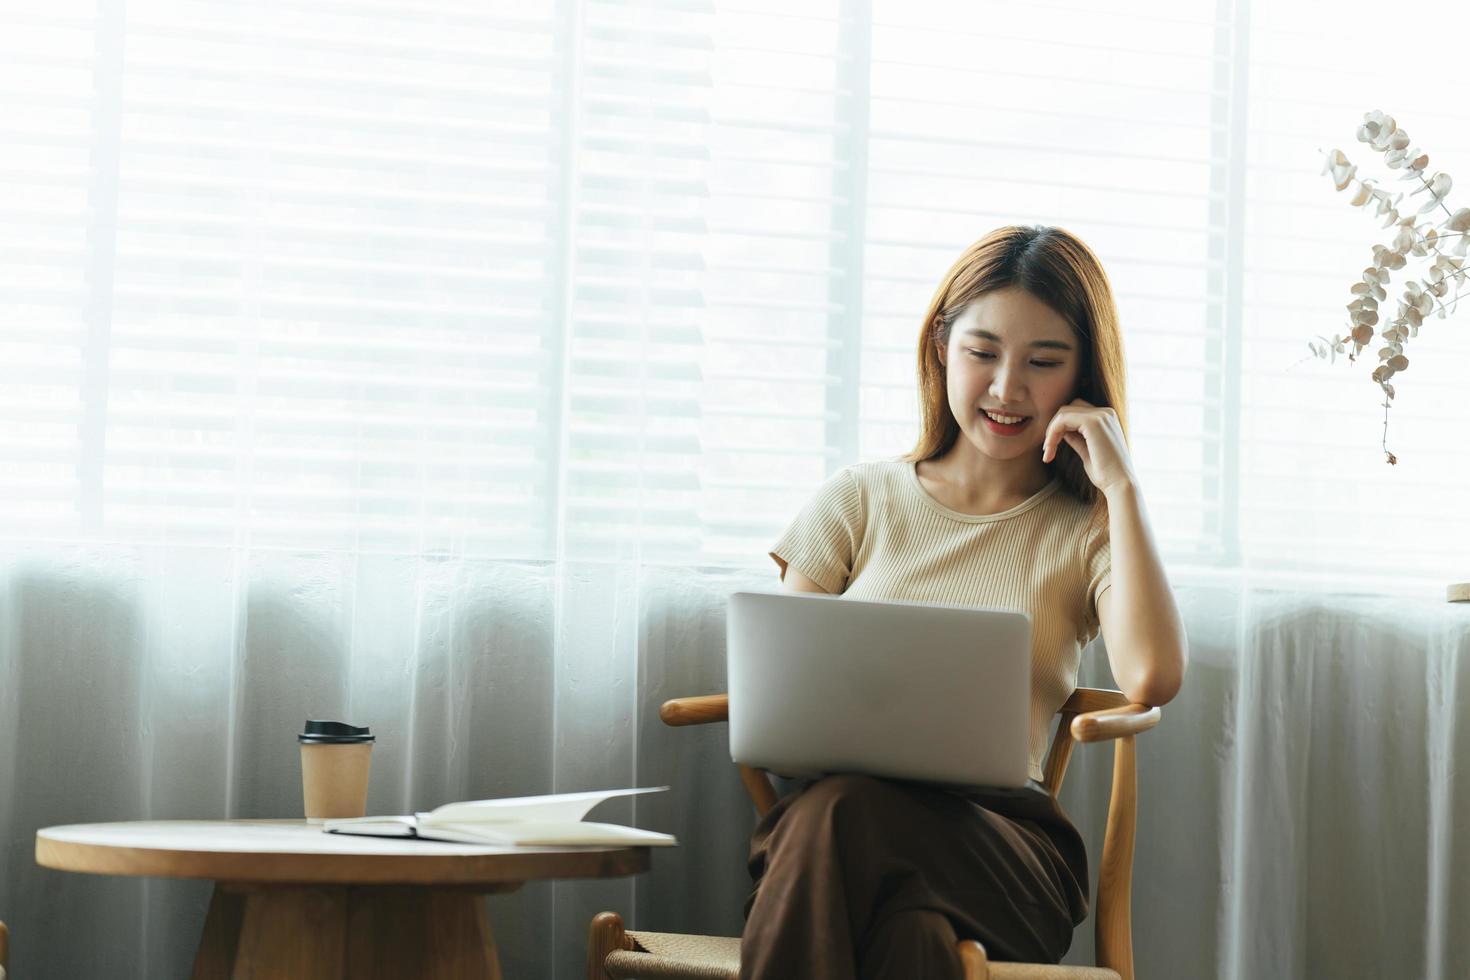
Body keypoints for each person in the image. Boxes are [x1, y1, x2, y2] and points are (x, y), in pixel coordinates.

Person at [739, 225, 1188, 979]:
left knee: (839, 815)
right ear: (942, 346)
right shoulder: (859, 499)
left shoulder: (1090, 530)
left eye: (1043, 363)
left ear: (1083, 377)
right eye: (983, 353)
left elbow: (1152, 680)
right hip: (835, 840)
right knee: (909, 938)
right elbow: (785, 706)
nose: (1008, 389)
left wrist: (1123, 488)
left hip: (1004, 855)